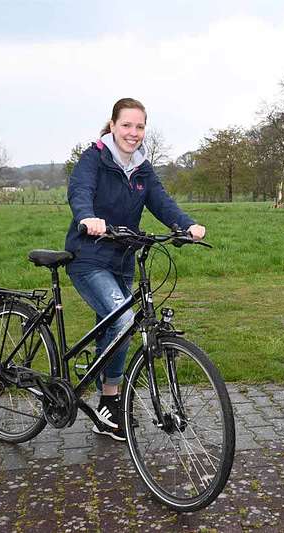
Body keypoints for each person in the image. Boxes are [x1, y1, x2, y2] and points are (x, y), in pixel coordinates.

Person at [65, 97, 205, 441]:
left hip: (124, 259)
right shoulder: (94, 158)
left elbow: (161, 201)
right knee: (123, 318)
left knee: (120, 324)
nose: (133, 132)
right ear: (112, 125)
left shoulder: (143, 167)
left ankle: (103, 396)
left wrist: (185, 225)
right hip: (89, 257)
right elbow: (79, 190)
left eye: (140, 126)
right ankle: (109, 400)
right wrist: (87, 217)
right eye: (126, 125)